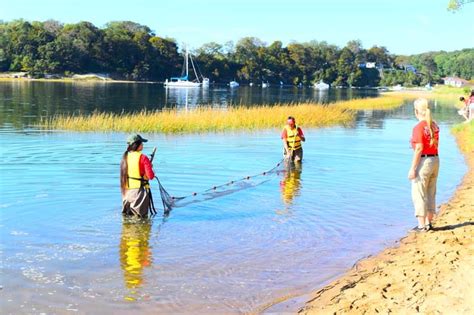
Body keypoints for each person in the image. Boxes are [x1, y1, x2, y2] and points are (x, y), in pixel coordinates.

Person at [409, 98, 440, 232]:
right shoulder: (434, 125)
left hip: (424, 161)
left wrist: (413, 168)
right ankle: (429, 223)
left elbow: (419, 148)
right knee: (430, 192)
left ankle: (422, 225)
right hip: (435, 160)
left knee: (419, 193)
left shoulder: (419, 127)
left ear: (416, 111)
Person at [120, 134, 155, 217]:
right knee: (141, 220)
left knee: (127, 219)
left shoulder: (125, 156)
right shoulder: (143, 157)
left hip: (126, 192)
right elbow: (150, 176)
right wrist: (150, 167)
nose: (143, 145)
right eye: (141, 143)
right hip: (138, 193)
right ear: (137, 145)